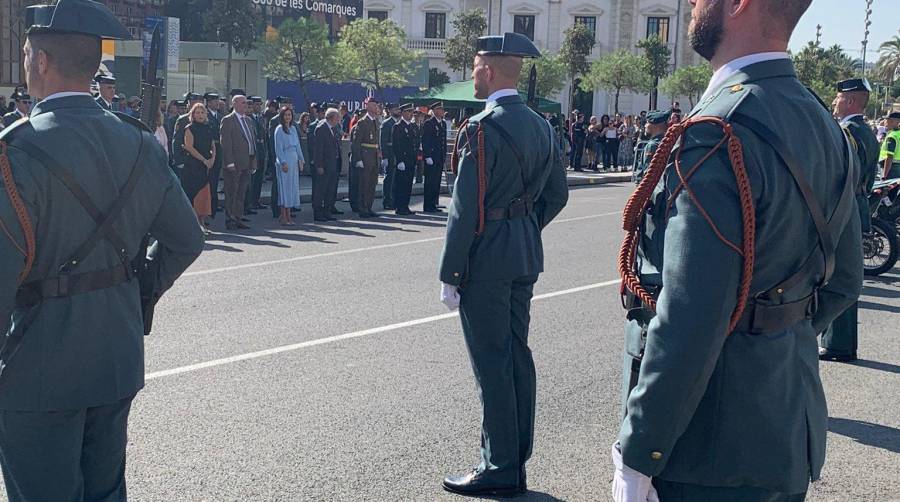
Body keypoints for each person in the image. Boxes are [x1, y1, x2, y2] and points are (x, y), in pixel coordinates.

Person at [614, 0, 862, 501]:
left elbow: (691, 316)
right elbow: (844, 279)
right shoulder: (823, 123)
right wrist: (769, 331)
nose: (692, 7)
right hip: (786, 426)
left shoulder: (716, 128)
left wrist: (641, 452)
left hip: (706, 450)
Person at [0, 0, 204, 499]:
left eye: (28, 54)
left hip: (36, 363)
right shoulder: (137, 141)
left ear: (40, 62)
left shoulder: (17, 149)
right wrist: (138, 294)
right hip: (114, 354)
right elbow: (187, 239)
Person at [439, 32, 568, 497]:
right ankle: (516, 457)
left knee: (493, 364)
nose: (471, 73)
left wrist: (451, 274)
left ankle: (499, 468)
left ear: (489, 71)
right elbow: (558, 195)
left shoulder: (481, 127)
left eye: (474, 65)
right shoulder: (542, 125)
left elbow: (464, 209)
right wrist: (522, 227)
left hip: (486, 261)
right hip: (522, 254)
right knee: (516, 357)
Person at [820, 78, 882, 363]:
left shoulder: (848, 132)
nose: (834, 102)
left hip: (843, 208)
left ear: (852, 101)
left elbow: (840, 174)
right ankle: (841, 343)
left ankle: (837, 344)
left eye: (838, 98)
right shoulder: (864, 131)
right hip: (856, 205)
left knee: (838, 276)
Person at [219, 94, 257, 230]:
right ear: (234, 104)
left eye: (246, 103)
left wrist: (254, 161)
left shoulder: (248, 121)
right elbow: (226, 143)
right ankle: (230, 219)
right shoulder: (228, 120)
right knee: (231, 192)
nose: (245, 105)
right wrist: (229, 162)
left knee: (241, 192)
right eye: (242, 103)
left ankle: (238, 217)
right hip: (234, 163)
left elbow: (251, 142)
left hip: (247, 162)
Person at [181, 102, 216, 233]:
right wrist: (203, 160)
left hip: (206, 165)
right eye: (197, 112)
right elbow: (189, 147)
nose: (200, 115)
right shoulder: (189, 128)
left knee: (204, 195)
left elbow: (213, 145)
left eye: (202, 112)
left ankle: (202, 223)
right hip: (193, 166)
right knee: (193, 194)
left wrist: (212, 160)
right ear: (193, 114)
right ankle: (194, 225)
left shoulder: (208, 127)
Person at [350, 97, 381, 218]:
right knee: (364, 184)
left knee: (372, 184)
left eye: (376, 105)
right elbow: (356, 142)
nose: (375, 107)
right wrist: (358, 159)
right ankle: (362, 209)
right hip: (365, 156)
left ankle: (369, 207)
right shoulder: (362, 122)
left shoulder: (376, 121)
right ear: (367, 106)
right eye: (373, 105)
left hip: (373, 156)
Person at [274, 106, 303, 226]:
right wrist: (283, 162)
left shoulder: (293, 129)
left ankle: (288, 215)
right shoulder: (279, 130)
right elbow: (278, 148)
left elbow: (298, 146)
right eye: (285, 115)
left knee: (292, 189)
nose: (288, 117)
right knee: (284, 189)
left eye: (289, 115)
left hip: (294, 160)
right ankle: (284, 216)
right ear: (282, 116)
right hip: (285, 161)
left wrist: (301, 160)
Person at [312, 107, 341, 222]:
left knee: (330, 189)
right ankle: (318, 213)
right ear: (332, 118)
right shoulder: (321, 128)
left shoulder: (333, 128)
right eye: (337, 117)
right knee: (321, 190)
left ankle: (327, 212)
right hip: (324, 165)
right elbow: (318, 149)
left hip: (333, 164)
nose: (339, 119)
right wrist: (319, 165)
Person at [391, 103, 419, 215]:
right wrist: (399, 160)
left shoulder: (413, 127)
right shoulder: (398, 126)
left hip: (411, 159)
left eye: (412, 111)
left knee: (408, 184)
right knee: (401, 184)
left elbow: (415, 143)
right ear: (402, 113)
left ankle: (405, 205)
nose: (411, 114)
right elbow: (396, 145)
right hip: (402, 159)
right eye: (408, 111)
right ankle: (399, 206)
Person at [421, 101, 448, 213]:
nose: (442, 111)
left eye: (442, 109)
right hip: (431, 156)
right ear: (435, 110)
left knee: (436, 181)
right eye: (440, 109)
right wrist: (427, 156)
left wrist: (444, 155)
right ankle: (428, 205)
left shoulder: (443, 123)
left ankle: (433, 203)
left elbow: (443, 141)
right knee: (430, 182)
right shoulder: (429, 123)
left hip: (439, 157)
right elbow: (426, 140)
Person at [631, 110, 668, 185]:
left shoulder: (653, 145)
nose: (645, 125)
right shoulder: (665, 141)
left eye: (647, 122)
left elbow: (648, 173)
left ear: (656, 126)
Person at [245, 96, 268, 213]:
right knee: (252, 179)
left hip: (261, 149)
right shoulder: (248, 118)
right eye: (257, 104)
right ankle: (249, 202)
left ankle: (256, 200)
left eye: (260, 104)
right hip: (253, 151)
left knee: (259, 177)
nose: (259, 107)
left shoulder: (260, 118)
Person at [380, 103, 399, 210]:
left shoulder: (398, 122)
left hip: (397, 154)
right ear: (390, 111)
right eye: (395, 109)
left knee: (396, 179)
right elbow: (383, 141)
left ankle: (394, 200)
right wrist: (384, 157)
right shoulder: (386, 123)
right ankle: (387, 201)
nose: (398, 111)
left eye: (398, 109)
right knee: (389, 179)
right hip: (390, 154)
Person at [880, 111, 900, 180]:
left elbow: (889, 157)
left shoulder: (892, 136)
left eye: (886, 120)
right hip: (897, 169)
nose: (884, 122)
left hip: (891, 170)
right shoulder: (897, 134)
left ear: (892, 121)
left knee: (887, 190)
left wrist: (884, 176)